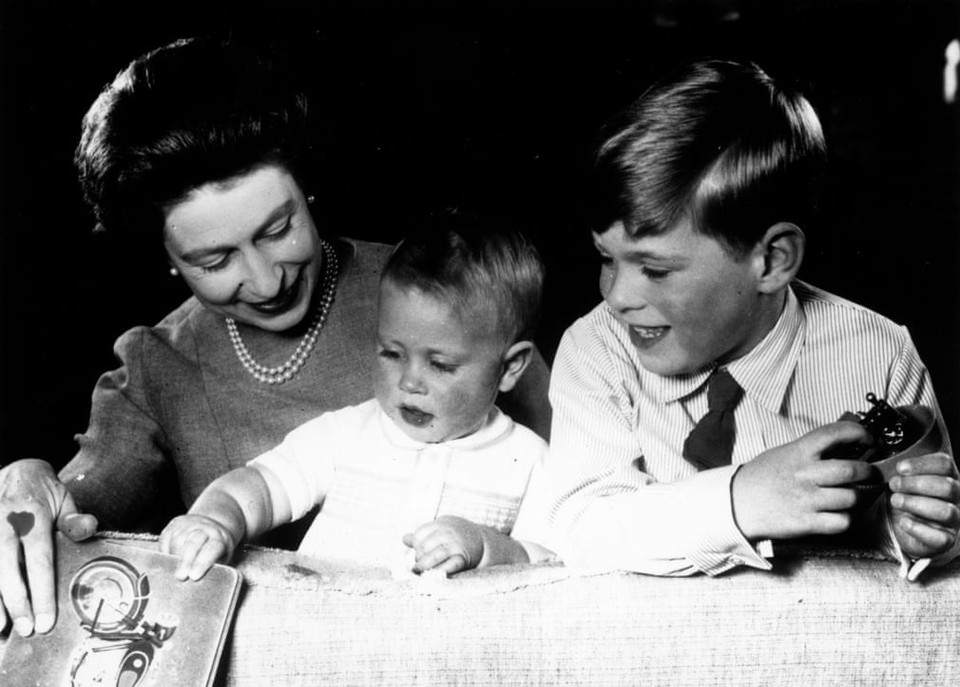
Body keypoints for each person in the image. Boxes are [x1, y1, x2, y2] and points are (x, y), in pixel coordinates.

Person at [0, 37, 551, 637]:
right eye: (214, 261)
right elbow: (77, 506)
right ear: (167, 259)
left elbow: (579, 495)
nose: (265, 281)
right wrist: (26, 481)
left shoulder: (444, 299)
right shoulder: (156, 362)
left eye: (279, 228)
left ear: (305, 187)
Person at [543, 59, 960, 580]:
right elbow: (578, 529)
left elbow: (930, 543)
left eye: (654, 268)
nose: (617, 295)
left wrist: (913, 532)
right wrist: (740, 498)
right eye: (607, 258)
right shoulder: (596, 348)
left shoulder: (881, 353)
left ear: (772, 260)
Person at [160, 216, 554, 579]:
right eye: (392, 353)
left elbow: (552, 564)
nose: (409, 382)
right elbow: (261, 486)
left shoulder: (531, 461)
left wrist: (485, 547)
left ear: (510, 368)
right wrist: (216, 519)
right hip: (324, 630)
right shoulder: (348, 433)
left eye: (441, 365)